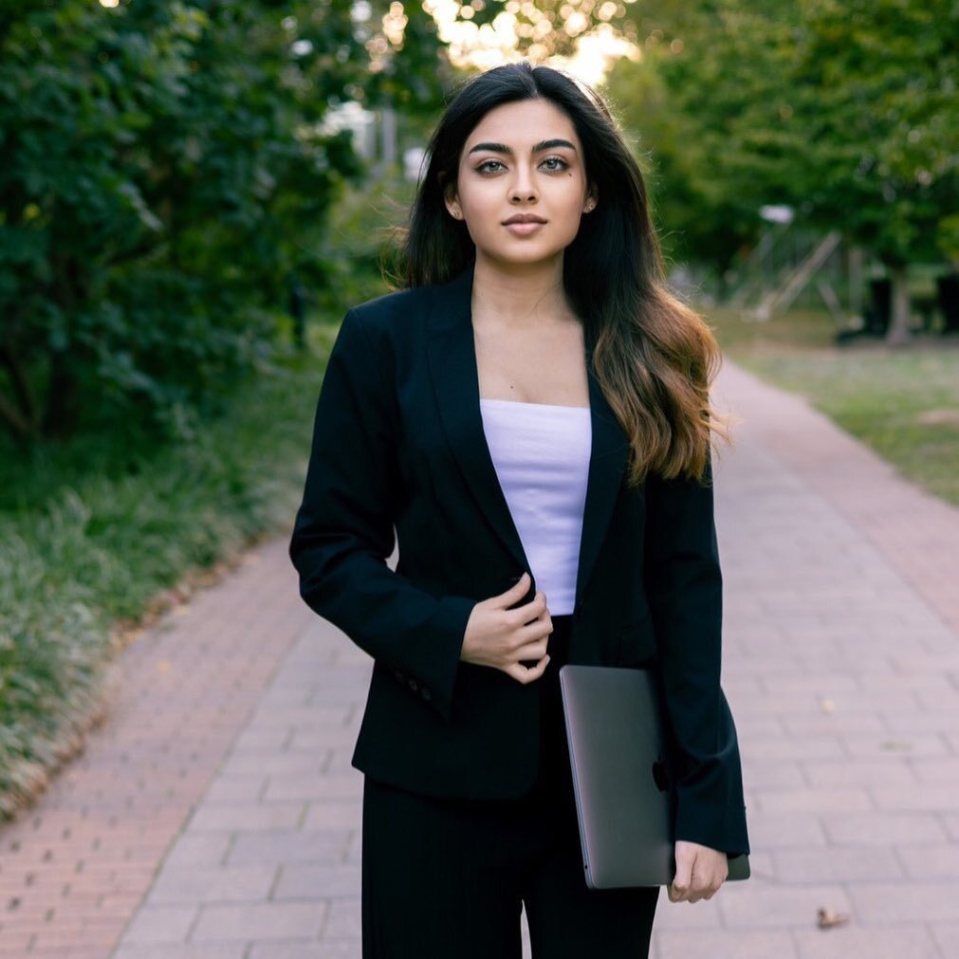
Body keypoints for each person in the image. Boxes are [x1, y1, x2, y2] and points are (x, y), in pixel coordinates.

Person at [289, 61, 749, 959]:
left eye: (553, 162)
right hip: (436, 752)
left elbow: (685, 582)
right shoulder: (383, 343)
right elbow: (329, 548)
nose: (523, 188)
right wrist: (450, 629)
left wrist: (708, 799)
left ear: (591, 191)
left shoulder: (654, 348)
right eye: (490, 165)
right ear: (454, 196)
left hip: (609, 758)